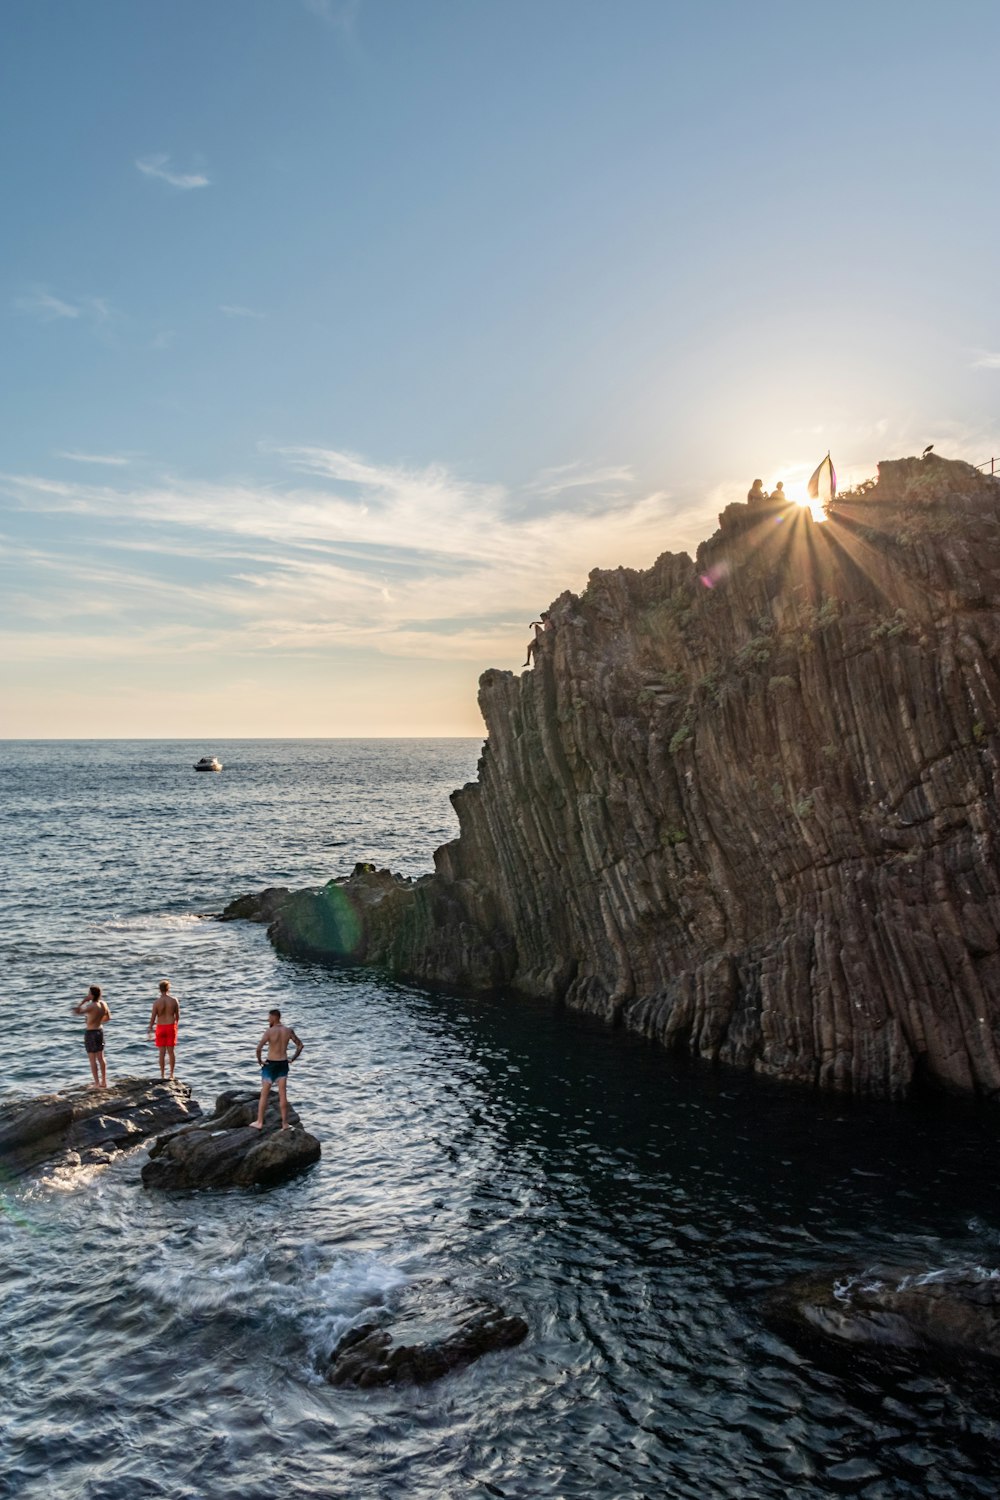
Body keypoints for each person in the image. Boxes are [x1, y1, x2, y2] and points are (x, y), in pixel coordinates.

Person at [251, 1008, 304, 1130]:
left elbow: (258, 1048)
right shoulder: (288, 1031)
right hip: (283, 1064)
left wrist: (260, 1061)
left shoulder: (269, 1032)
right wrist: (293, 1059)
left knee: (264, 1094)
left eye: (269, 1017)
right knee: (283, 1095)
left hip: (270, 1065)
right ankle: (285, 1124)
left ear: (274, 1018)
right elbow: (300, 1046)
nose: (268, 1019)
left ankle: (259, 1122)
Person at [72, 984, 111, 1088]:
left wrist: (84, 1001)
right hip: (100, 1031)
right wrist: (96, 1020)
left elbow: (77, 1011)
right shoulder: (103, 1004)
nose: (88, 995)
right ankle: (104, 1081)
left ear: (92, 995)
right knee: (101, 1058)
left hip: (91, 1033)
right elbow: (108, 1018)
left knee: (92, 1059)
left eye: (89, 993)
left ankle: (97, 1083)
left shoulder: (91, 1006)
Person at [147, 979, 180, 1081]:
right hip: (170, 1026)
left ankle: (162, 1075)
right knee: (171, 1052)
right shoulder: (174, 1000)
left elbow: (153, 1017)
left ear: (159, 990)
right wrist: (175, 1025)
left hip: (160, 1027)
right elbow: (177, 1016)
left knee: (161, 1052)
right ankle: (171, 1074)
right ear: (168, 988)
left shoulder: (156, 1002)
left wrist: (150, 1028)